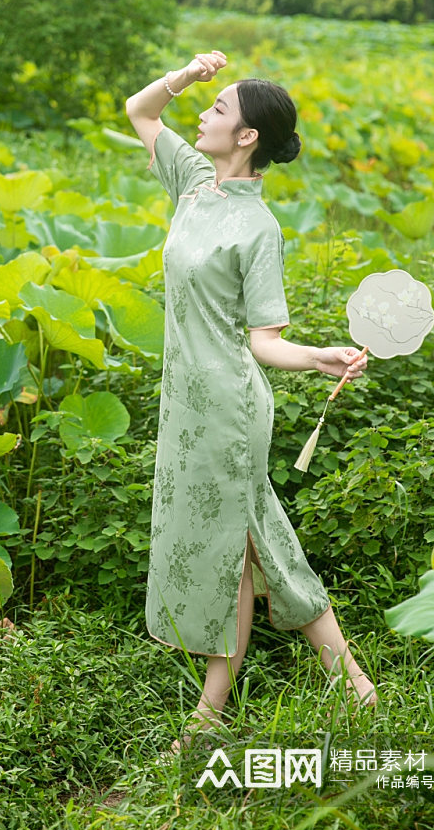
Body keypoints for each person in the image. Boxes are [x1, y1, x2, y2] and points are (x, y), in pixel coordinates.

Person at [125, 50, 376, 751]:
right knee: (243, 543)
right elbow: (140, 111)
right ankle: (350, 682)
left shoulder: (258, 229)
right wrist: (188, 75)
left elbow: (264, 341)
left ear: (248, 139)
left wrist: (318, 356)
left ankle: (219, 710)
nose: (203, 115)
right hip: (186, 402)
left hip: (230, 409)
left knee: (244, 543)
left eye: (218, 109)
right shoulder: (191, 182)